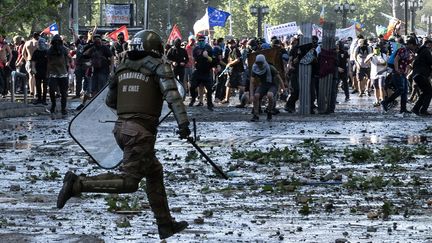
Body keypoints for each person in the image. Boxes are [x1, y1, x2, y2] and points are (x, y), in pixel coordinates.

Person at [57, 30, 191, 240]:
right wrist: (184, 124)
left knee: (154, 172)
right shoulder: (159, 67)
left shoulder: (121, 68)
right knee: (129, 183)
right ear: (156, 48)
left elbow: (111, 101)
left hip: (121, 129)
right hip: (141, 134)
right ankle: (77, 184)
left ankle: (165, 225)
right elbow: (173, 97)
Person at [381, 37, 417, 114]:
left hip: (402, 73)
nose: (414, 47)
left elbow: (405, 62)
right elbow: (396, 59)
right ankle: (386, 102)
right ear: (410, 44)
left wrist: (412, 59)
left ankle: (403, 109)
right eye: (414, 45)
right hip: (397, 72)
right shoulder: (403, 50)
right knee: (401, 89)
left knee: (404, 91)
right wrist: (397, 69)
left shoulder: (407, 51)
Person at [250, 54, 283, 121]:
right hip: (263, 84)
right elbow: (252, 82)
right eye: (258, 63)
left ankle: (269, 111)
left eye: (261, 63)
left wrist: (283, 89)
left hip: (273, 84)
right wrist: (251, 95)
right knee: (256, 95)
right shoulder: (254, 68)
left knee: (270, 95)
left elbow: (279, 78)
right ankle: (256, 115)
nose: (259, 65)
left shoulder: (270, 68)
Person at [46, 35, 73, 116]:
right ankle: (53, 105)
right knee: (51, 91)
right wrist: (47, 73)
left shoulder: (64, 49)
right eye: (55, 41)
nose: (57, 43)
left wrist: (69, 63)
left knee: (64, 93)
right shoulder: (50, 51)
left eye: (58, 41)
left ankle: (63, 108)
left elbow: (70, 58)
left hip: (63, 74)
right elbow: (48, 62)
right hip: (53, 74)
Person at [189, 35, 217, 111]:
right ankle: (193, 99)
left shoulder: (209, 48)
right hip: (198, 71)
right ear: (198, 41)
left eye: (202, 40)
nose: (201, 42)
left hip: (207, 71)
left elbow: (213, 61)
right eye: (200, 40)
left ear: (205, 41)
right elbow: (194, 59)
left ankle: (209, 104)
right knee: (192, 86)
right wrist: (193, 67)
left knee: (209, 89)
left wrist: (207, 56)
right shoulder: (196, 49)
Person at [411, 38, 432, 116]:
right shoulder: (426, 51)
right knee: (429, 92)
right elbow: (430, 61)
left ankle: (416, 109)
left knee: (425, 92)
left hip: (417, 75)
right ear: (428, 44)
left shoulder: (420, 52)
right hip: (421, 75)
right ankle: (423, 110)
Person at [30, 37, 48, 105]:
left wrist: (49, 71)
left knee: (45, 86)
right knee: (38, 85)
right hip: (38, 70)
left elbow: (50, 62)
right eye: (40, 43)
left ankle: (44, 99)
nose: (41, 44)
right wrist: (33, 68)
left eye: (42, 43)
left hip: (46, 70)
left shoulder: (47, 51)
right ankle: (39, 99)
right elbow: (33, 61)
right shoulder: (36, 52)